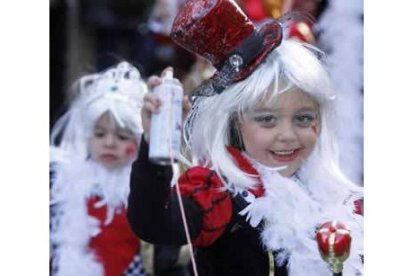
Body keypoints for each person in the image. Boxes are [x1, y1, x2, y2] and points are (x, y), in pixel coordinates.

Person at [127, 1, 363, 275]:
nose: (287, 135)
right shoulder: (218, 193)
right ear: (235, 122)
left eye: (303, 118)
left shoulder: (330, 194)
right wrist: (154, 146)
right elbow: (153, 222)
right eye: (267, 119)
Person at [50, 62, 148, 276]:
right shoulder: (67, 184)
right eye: (100, 134)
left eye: (122, 136)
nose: (109, 143)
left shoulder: (146, 189)